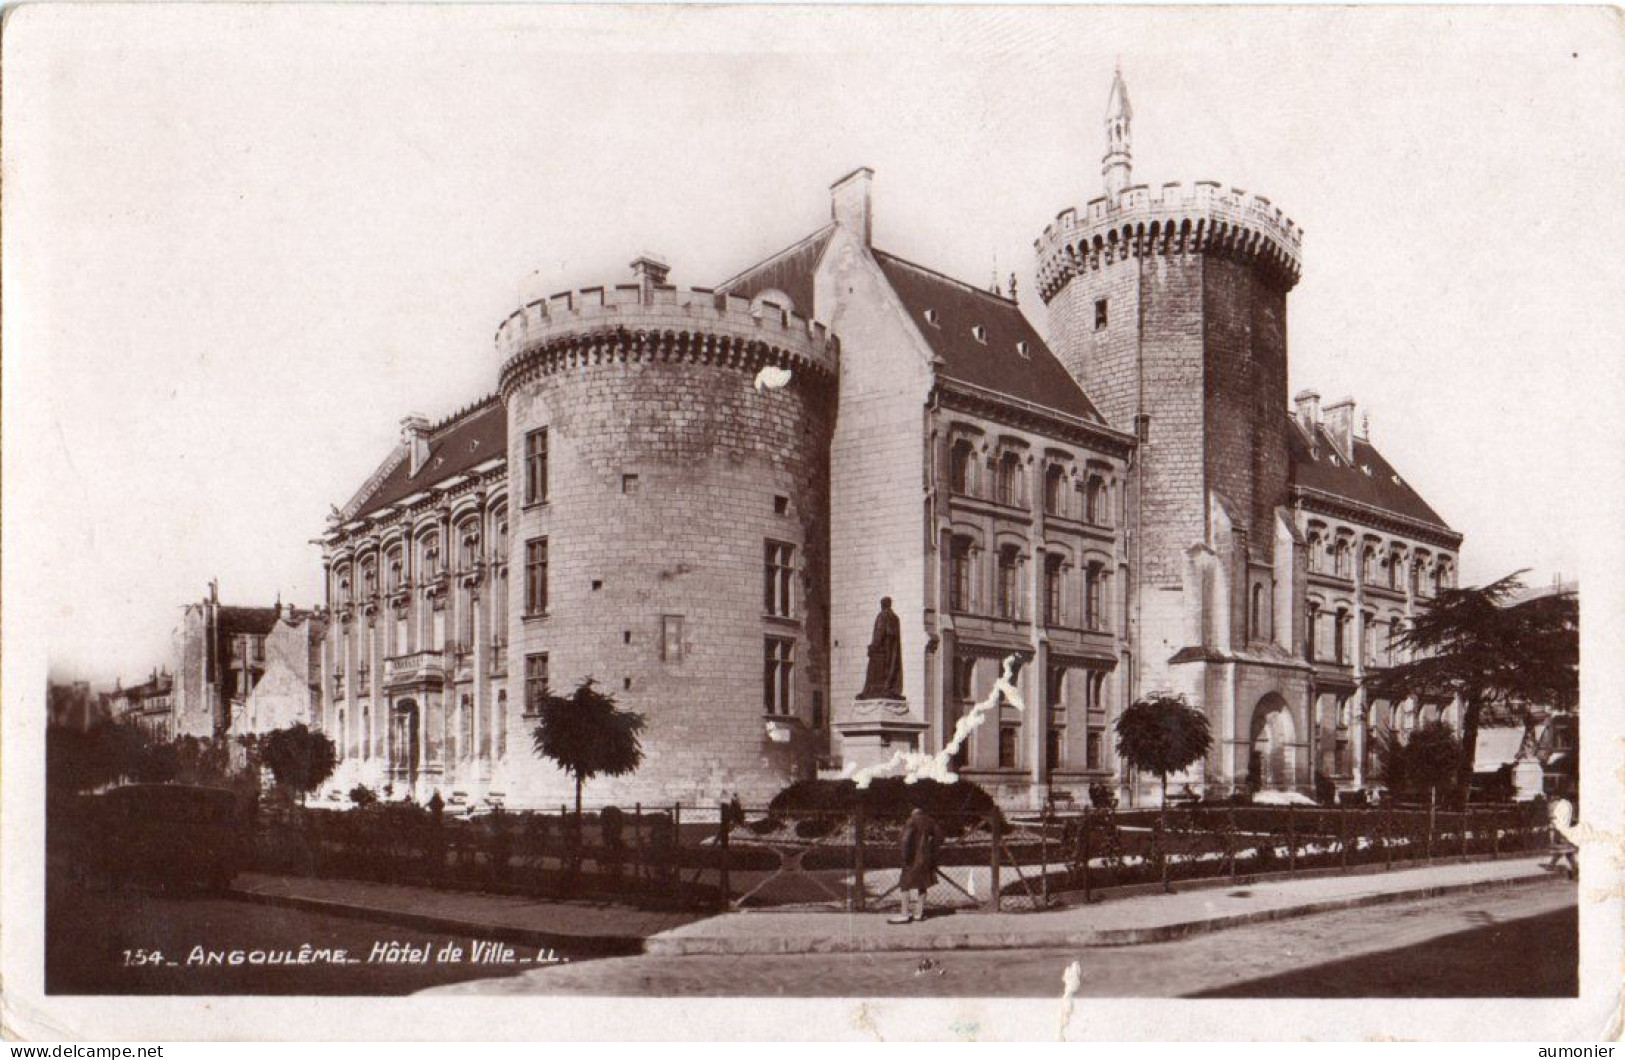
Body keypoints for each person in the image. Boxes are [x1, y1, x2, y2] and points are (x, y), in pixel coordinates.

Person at [889, 807, 943, 924]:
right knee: (922, 885)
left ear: (913, 811)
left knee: (905, 885)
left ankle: (904, 914)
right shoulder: (930, 821)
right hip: (926, 858)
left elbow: (905, 840)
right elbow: (939, 838)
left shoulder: (911, 821)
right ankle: (919, 913)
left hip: (911, 858)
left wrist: (904, 856)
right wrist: (930, 850)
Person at [1544, 797, 1579, 879]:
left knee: (1561, 850)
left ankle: (1551, 865)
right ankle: (1575, 869)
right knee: (1568, 852)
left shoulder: (1558, 807)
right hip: (1565, 830)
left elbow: (1555, 819)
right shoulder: (1566, 805)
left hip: (1561, 831)